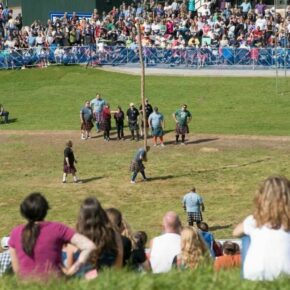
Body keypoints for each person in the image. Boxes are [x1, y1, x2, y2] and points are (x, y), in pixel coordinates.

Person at [8, 193, 96, 279]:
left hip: (26, 286)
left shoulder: (15, 233)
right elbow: (89, 246)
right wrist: (75, 267)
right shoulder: (58, 228)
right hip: (56, 284)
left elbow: (17, 271)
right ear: (45, 210)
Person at [233, 176, 290, 281]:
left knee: (246, 237)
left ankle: (247, 278)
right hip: (287, 273)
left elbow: (235, 232)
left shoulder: (255, 220)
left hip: (255, 273)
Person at [74, 197, 123, 273]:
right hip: (107, 279)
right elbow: (118, 263)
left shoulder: (75, 237)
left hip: (82, 282)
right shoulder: (114, 235)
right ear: (102, 214)